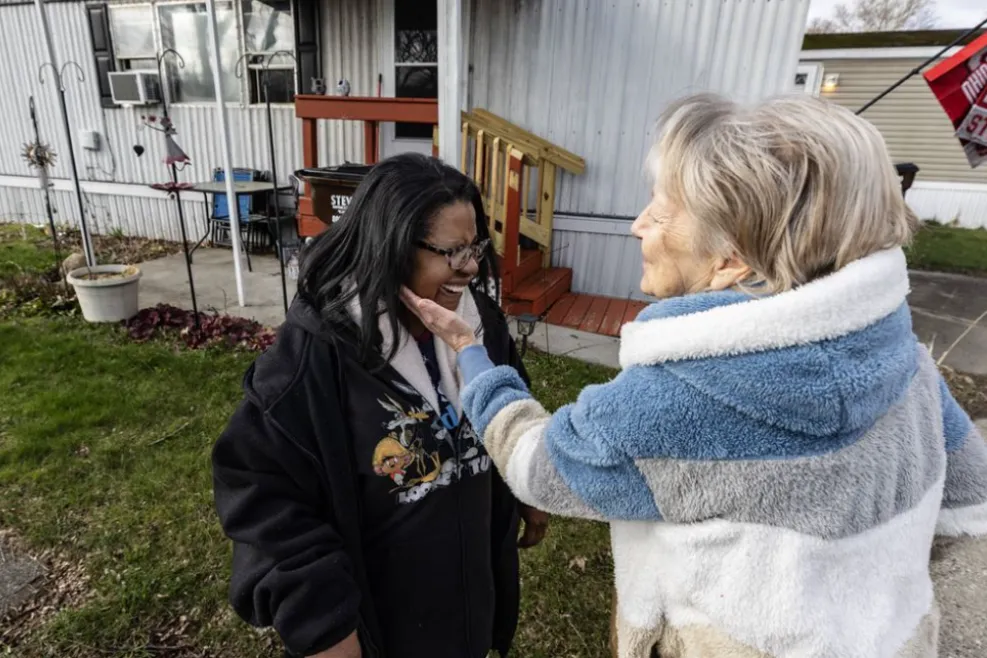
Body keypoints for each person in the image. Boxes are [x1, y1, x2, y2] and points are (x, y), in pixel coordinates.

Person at [404, 94, 987, 658]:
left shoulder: (678, 395)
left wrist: (470, 352)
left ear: (730, 257)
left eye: (658, 211)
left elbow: (538, 466)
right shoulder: (901, 358)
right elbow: (966, 498)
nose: (636, 225)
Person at [212, 153, 548, 658]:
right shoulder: (316, 354)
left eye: (474, 245)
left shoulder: (481, 325)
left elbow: (507, 398)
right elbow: (262, 491)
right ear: (389, 248)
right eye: (451, 251)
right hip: (381, 628)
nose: (472, 266)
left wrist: (526, 483)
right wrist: (322, 621)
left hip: (471, 613)